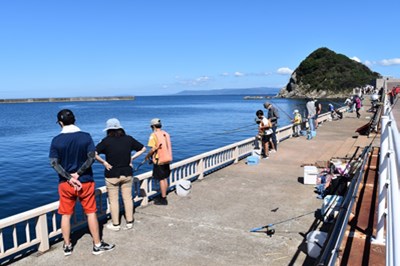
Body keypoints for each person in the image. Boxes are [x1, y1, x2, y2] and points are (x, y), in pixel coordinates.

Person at [49, 109, 115, 256]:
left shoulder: (56, 140)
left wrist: (69, 177)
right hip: (85, 181)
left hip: (66, 184)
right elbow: (91, 157)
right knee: (91, 213)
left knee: (65, 215)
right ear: (75, 119)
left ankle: (67, 246)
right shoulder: (86, 137)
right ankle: (97, 245)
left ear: (60, 123)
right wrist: (78, 174)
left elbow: (54, 163)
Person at [95, 118, 146, 231]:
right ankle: (129, 222)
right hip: (127, 173)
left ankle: (116, 224)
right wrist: (131, 158)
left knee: (113, 200)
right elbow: (143, 148)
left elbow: (93, 153)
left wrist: (104, 162)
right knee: (128, 198)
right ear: (120, 128)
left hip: (112, 174)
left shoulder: (105, 141)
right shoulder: (129, 139)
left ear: (108, 130)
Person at [145, 118, 173, 205]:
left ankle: (163, 198)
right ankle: (164, 195)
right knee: (165, 178)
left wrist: (147, 156)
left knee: (161, 179)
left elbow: (153, 148)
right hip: (167, 158)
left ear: (153, 126)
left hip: (159, 160)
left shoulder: (153, 135)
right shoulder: (166, 134)